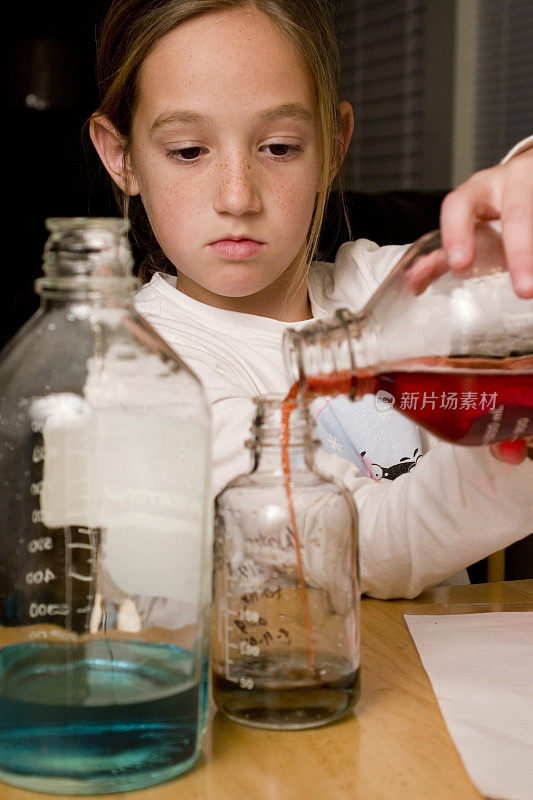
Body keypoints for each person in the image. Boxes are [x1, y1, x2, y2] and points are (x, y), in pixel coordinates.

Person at [89, 0, 533, 598]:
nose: (238, 196)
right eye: (189, 151)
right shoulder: (140, 368)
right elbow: (359, 547)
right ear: (122, 157)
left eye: (278, 146)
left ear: (333, 144)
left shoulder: (387, 286)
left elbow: (508, 272)